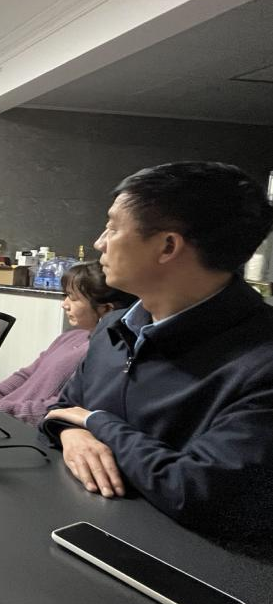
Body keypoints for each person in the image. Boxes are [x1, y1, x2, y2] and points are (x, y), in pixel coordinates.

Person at [41, 161, 273, 553]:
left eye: (113, 228)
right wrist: (73, 434)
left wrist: (98, 423)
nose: (99, 242)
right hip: (80, 532)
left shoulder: (259, 360)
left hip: (186, 569)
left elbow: (200, 492)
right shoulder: (114, 327)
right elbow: (63, 409)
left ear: (168, 246)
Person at [0, 262, 133, 426]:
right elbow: (27, 374)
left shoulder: (108, 354)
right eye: (65, 296)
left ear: (106, 309)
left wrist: (3, 409)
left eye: (73, 298)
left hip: (27, 428)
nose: (64, 304)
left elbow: (66, 406)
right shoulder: (72, 336)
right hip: (4, 417)